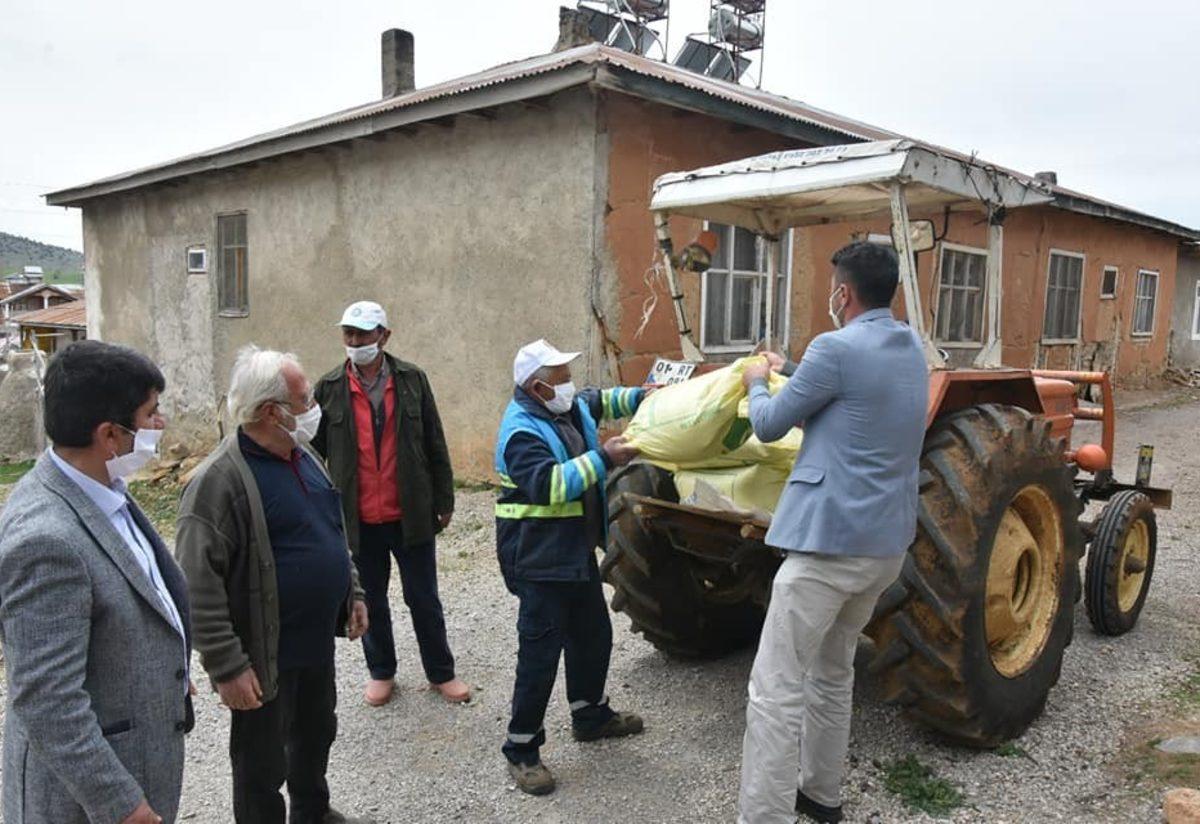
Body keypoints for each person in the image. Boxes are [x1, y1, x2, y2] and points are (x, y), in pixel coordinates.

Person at [737, 242, 929, 824]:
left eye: (832, 289)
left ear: (843, 293)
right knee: (832, 671)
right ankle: (821, 795)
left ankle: (763, 816)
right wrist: (790, 369)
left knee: (774, 688)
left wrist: (756, 380)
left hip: (827, 547)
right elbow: (852, 387)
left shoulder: (834, 347)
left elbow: (769, 426)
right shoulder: (910, 345)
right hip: (883, 547)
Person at [176, 346, 371, 824]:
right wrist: (227, 666)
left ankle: (312, 813)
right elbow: (197, 585)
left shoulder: (304, 456)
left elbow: (331, 532)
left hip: (313, 645)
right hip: (263, 656)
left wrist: (353, 592)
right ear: (271, 412)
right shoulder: (219, 482)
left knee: (315, 735)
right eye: (305, 400)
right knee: (260, 766)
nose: (313, 408)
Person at [0, 340, 191, 824]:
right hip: (86, 804)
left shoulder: (101, 491)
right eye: (151, 413)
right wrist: (121, 805)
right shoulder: (47, 541)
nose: (161, 424)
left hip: (139, 760)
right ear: (110, 435)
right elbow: (48, 700)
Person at [494, 338, 648, 796]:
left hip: (573, 550)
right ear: (537, 387)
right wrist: (605, 458)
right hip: (538, 558)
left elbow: (603, 400)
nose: (569, 385)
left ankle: (590, 715)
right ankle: (522, 749)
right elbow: (550, 485)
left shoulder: (565, 406)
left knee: (593, 635)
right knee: (540, 655)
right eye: (561, 378)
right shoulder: (520, 432)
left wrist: (645, 396)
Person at [312, 301, 467, 707]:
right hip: (359, 518)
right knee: (370, 599)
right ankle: (381, 672)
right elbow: (312, 454)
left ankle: (441, 672)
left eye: (363, 334)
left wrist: (444, 499)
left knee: (424, 598)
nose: (355, 341)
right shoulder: (328, 388)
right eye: (349, 333)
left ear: (384, 336)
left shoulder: (412, 379)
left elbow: (434, 441)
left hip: (410, 513)